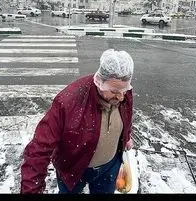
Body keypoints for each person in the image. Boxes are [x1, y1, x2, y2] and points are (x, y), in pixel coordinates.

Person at [21, 49, 135, 194]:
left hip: (109, 168)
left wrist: (126, 136)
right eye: (113, 92)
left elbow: (127, 114)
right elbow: (38, 150)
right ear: (100, 82)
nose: (120, 97)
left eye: (124, 90)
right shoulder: (69, 102)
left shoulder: (121, 90)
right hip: (73, 170)